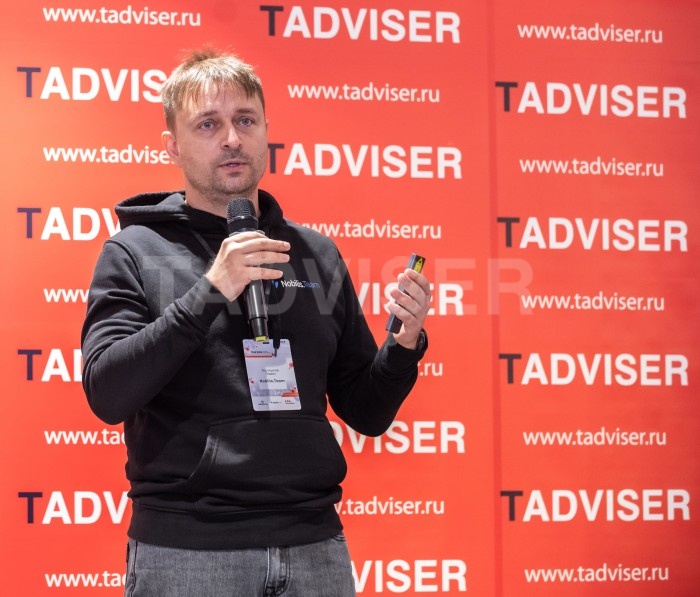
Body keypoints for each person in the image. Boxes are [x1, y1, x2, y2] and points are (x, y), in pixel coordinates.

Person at [81, 47, 430, 597]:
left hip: (315, 547)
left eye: (245, 120)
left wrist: (403, 346)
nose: (231, 139)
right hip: (190, 552)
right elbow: (108, 392)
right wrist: (210, 291)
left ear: (266, 131)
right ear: (172, 146)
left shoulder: (314, 254)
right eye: (208, 124)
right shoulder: (135, 251)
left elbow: (366, 411)